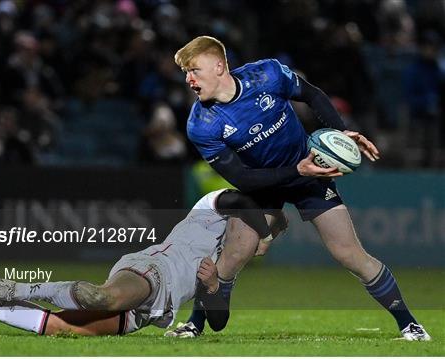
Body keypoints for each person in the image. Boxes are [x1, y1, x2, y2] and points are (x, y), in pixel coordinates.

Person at [168, 36, 430, 341]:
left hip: (309, 173)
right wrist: (296, 170)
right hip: (263, 182)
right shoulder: (201, 124)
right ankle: (195, 323)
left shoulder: (267, 74)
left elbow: (313, 95)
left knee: (349, 253)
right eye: (185, 72)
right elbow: (242, 179)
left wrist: (341, 132)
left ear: (219, 66)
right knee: (234, 254)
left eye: (194, 70)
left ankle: (410, 325)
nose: (189, 79)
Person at [0, 189, 286, 337]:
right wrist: (265, 234)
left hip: (151, 313)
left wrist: (212, 288)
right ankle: (18, 288)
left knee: (65, 329)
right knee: (102, 298)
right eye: (262, 228)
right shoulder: (213, 210)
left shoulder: (229, 263)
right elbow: (240, 198)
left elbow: (219, 322)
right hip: (152, 271)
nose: (259, 240)